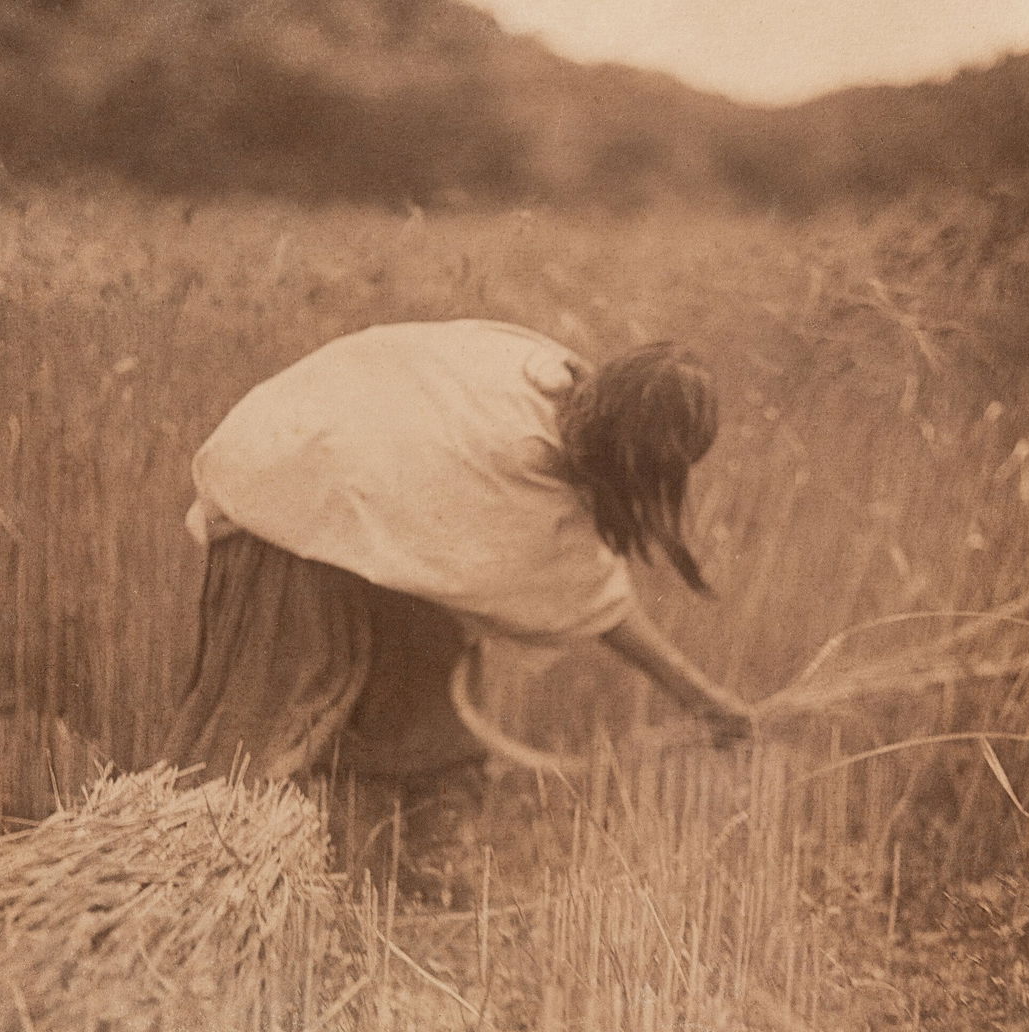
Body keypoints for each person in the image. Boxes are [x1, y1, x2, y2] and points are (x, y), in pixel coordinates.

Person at [159, 319, 754, 893]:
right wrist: (702, 698)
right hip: (286, 493)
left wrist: (704, 700)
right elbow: (597, 603)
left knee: (427, 672)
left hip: (333, 466)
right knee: (267, 727)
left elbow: (589, 591)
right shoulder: (514, 455)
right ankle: (200, 875)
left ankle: (412, 871)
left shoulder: (544, 375)